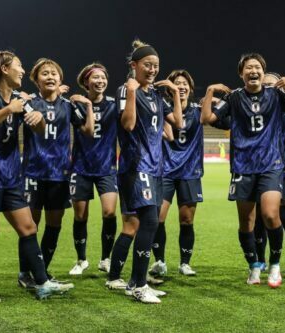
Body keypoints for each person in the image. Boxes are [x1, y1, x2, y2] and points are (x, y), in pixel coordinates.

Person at [0, 51, 73, 303]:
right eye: (19, 66)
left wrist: (38, 119)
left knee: (28, 228)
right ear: (4, 69)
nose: (23, 71)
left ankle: (42, 283)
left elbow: (40, 127)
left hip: (11, 177)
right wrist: (9, 109)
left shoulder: (19, 99)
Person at [202, 53, 285, 288]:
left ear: (263, 73)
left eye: (257, 68)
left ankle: (274, 265)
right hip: (243, 166)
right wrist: (211, 90)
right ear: (241, 74)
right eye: (248, 68)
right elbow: (207, 118)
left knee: (272, 215)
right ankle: (253, 265)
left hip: (271, 165)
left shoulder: (275, 95)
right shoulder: (234, 98)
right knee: (247, 223)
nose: (253, 71)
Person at [111, 39, 182, 303]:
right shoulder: (125, 90)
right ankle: (139, 284)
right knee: (149, 221)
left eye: (156, 66)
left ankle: (134, 282)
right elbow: (127, 125)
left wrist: (174, 93)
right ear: (134, 65)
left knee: (148, 222)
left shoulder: (155, 94)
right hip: (135, 164)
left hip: (155, 166)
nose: (152, 70)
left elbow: (178, 123)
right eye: (147, 65)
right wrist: (131, 92)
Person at [18, 58, 93, 286]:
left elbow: (88, 131)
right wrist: (20, 98)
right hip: (33, 173)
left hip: (59, 175)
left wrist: (88, 106)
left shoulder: (69, 106)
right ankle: (25, 274)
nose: (50, 76)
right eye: (45, 74)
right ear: (36, 80)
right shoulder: (28, 103)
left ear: (61, 79)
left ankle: (42, 271)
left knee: (55, 225)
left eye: (54, 73)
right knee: (30, 226)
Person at [148, 69, 205, 278]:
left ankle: (185, 263)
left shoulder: (199, 111)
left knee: (187, 220)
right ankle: (160, 261)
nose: (181, 86)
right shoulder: (161, 110)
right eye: (177, 83)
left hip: (190, 171)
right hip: (164, 171)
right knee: (157, 218)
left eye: (184, 83)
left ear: (190, 88)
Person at [65, 63, 119, 275]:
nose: (100, 81)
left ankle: (106, 258)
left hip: (106, 167)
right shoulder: (76, 105)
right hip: (81, 167)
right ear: (86, 82)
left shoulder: (115, 105)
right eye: (95, 78)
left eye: (103, 77)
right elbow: (86, 131)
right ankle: (81, 260)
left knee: (109, 212)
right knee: (80, 216)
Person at [253, 72, 285, 275]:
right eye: (266, 85)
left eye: (274, 86)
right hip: (262, 170)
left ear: (283, 89)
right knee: (260, 218)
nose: (269, 88)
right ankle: (260, 260)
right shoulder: (257, 112)